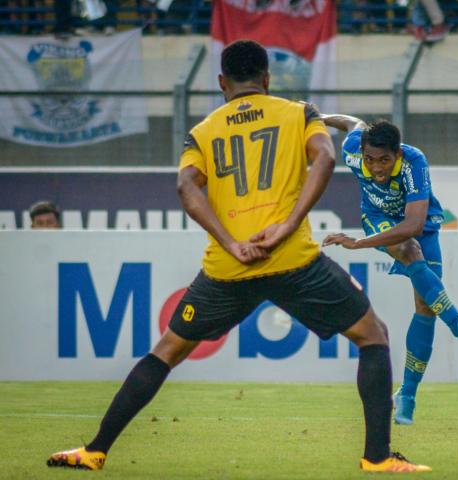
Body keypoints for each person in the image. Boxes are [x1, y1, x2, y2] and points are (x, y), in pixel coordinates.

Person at [46, 39, 430, 474]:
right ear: (267, 79)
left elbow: (186, 187)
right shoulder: (298, 113)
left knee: (166, 351)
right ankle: (377, 457)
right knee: (373, 335)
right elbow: (324, 156)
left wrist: (231, 243)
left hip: (229, 268)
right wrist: (286, 226)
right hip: (293, 261)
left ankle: (95, 451)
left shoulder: (203, 131)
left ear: (221, 83)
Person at [320, 114, 458, 426]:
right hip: (379, 220)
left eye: (384, 160)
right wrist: (321, 116)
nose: (376, 168)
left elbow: (414, 224)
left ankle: (407, 395)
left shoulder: (413, 162)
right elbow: (352, 123)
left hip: (421, 227)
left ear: (397, 154)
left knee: (425, 306)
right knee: (408, 249)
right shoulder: (354, 151)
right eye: (370, 160)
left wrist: (359, 244)